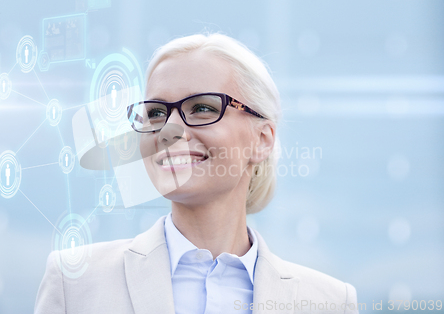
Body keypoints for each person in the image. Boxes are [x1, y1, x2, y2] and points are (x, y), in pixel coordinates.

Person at [34, 33, 358, 314]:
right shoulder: (74, 282)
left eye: (202, 108)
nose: (171, 130)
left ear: (262, 140)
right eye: (157, 113)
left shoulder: (328, 303)